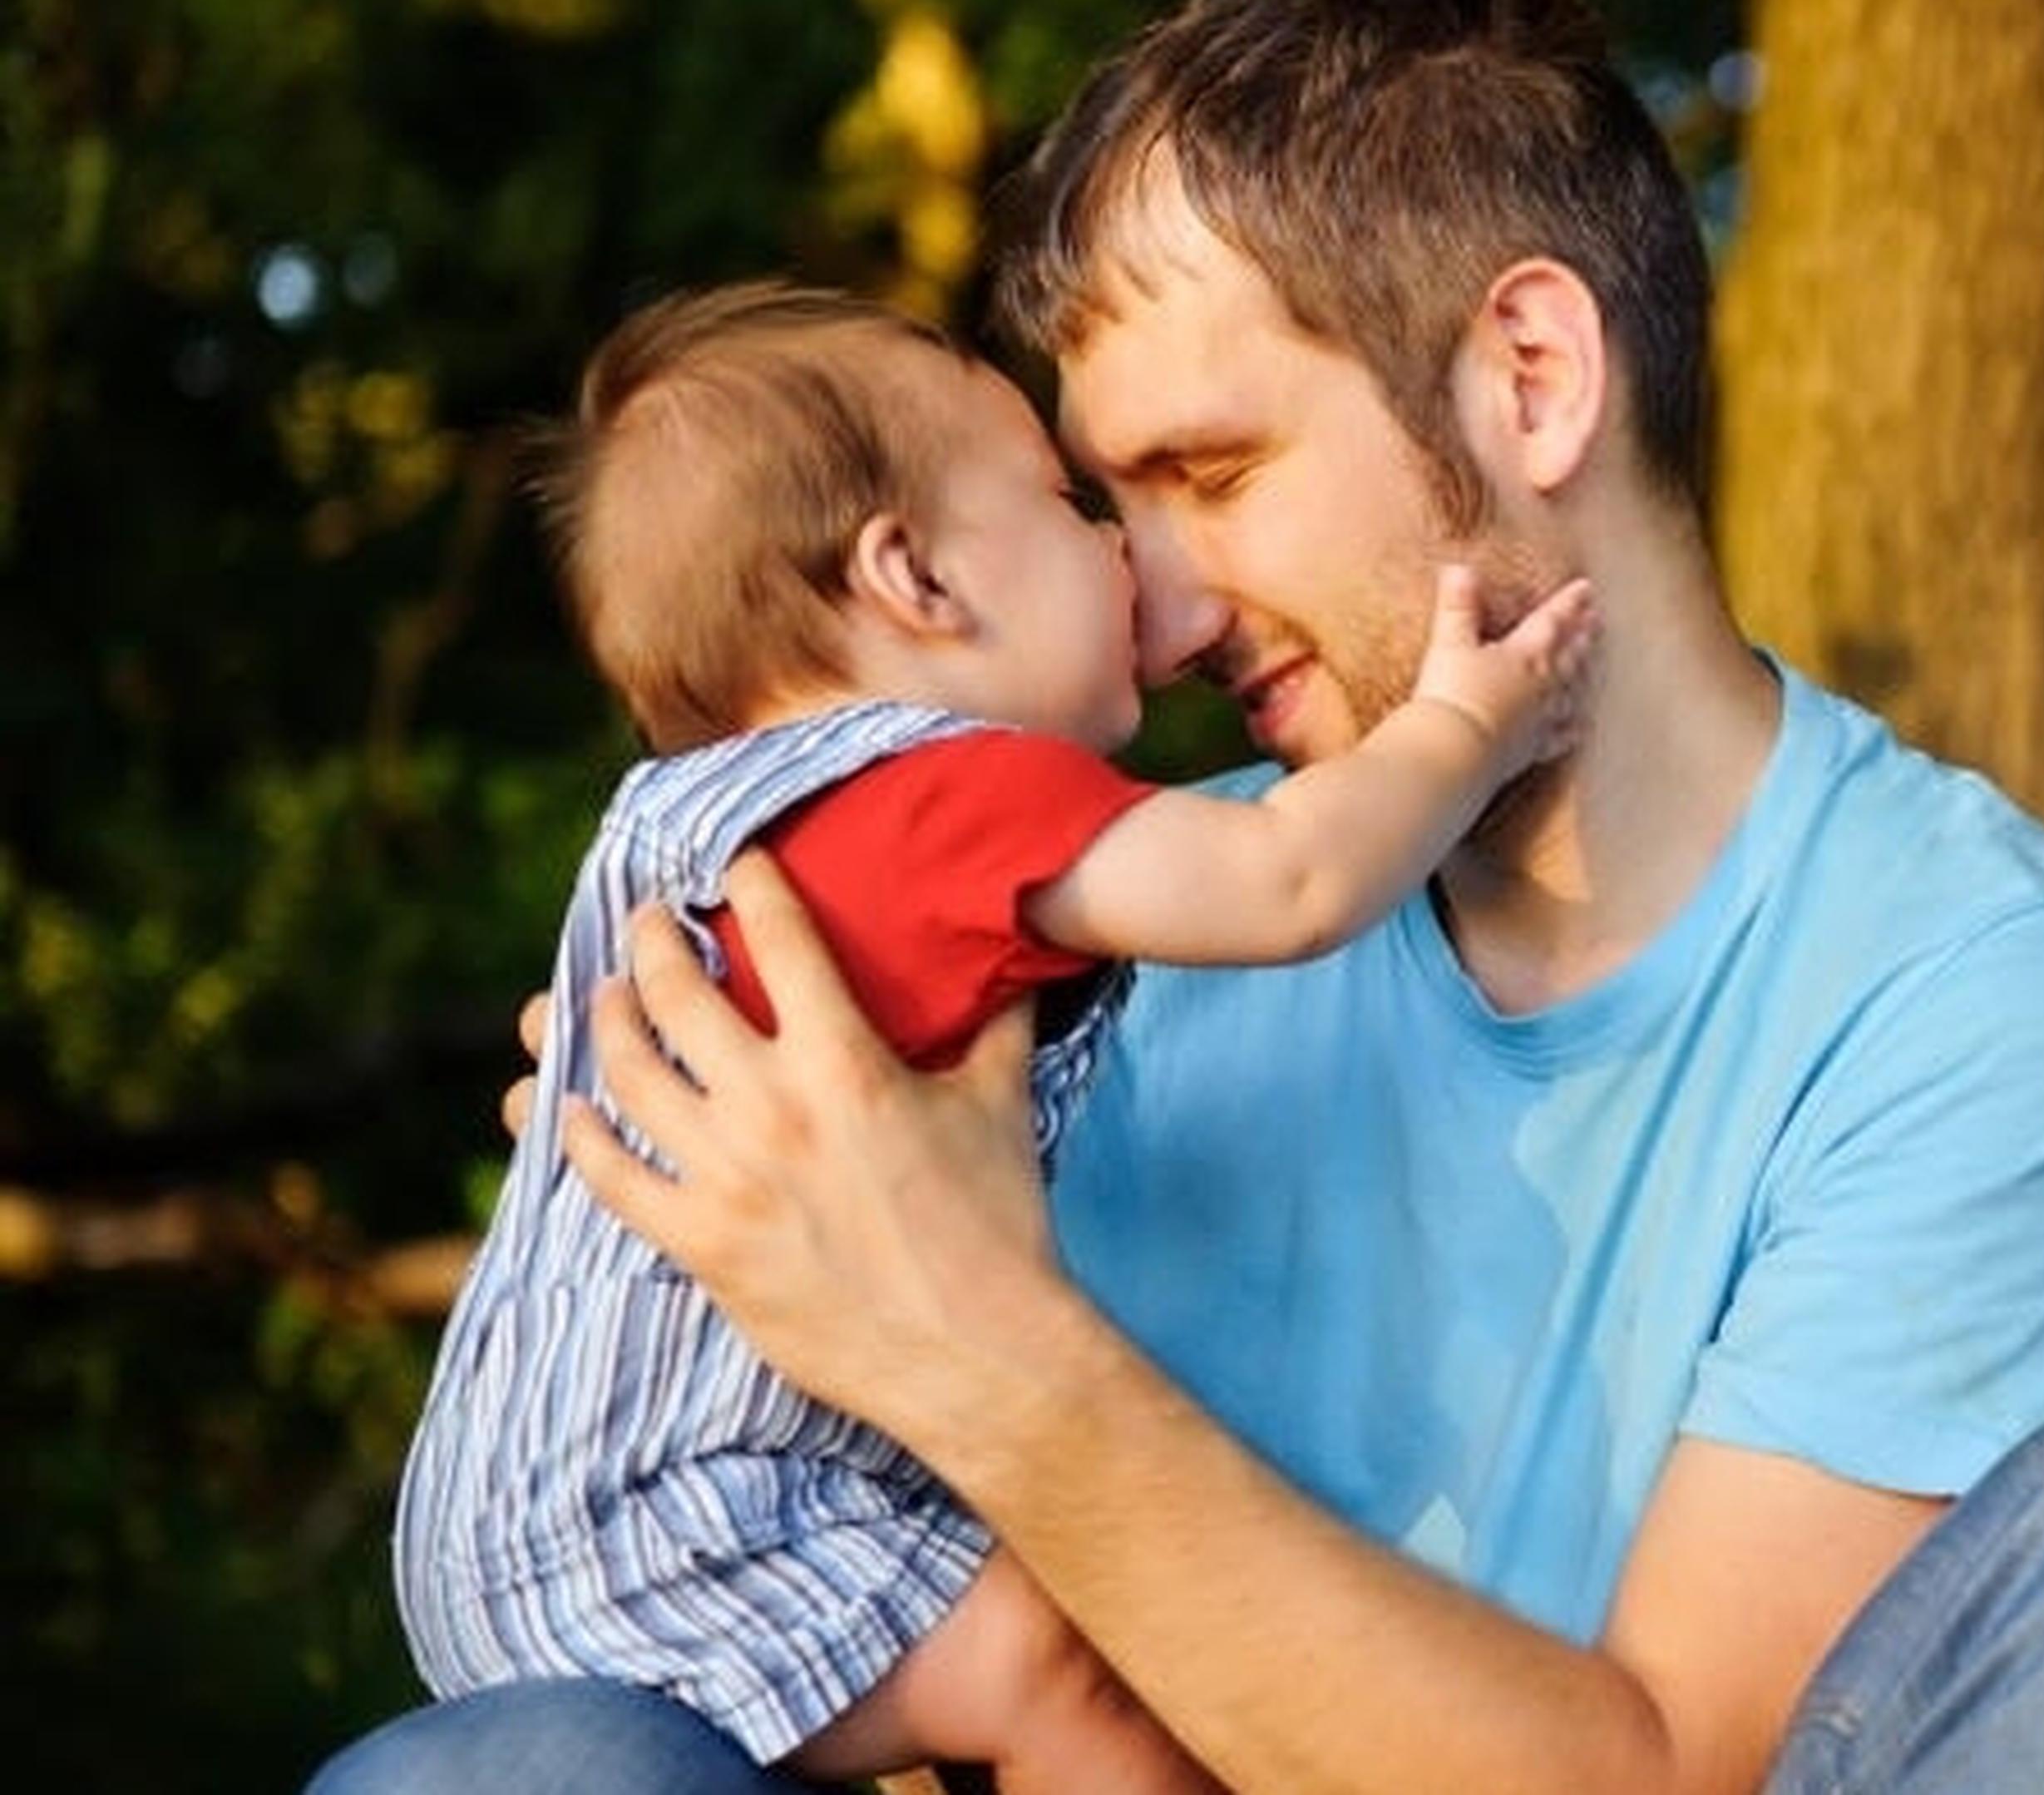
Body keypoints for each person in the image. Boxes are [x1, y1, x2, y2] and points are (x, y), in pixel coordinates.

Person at [314, 1, 2044, 1790]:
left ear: (1532, 376)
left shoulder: (1975, 1000)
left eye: (1208, 478)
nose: (1141, 606)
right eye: (1096, 502)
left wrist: (982, 1344)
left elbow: (1664, 1770)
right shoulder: (1118, 941)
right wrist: (690, 1182)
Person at [385, 279, 1592, 1794]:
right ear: (916, 580)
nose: (1121, 551)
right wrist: (1471, 721)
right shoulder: (940, 794)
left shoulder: (707, 829)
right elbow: (1291, 878)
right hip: (680, 1514)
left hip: (515, 1529)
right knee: (1061, 1672)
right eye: (1068, 500)